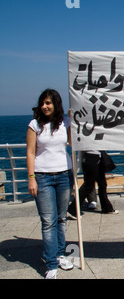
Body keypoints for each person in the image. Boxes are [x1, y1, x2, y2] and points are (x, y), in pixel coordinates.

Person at [26, 89, 74, 279]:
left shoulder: (65, 123)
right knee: (48, 222)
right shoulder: (34, 125)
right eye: (42, 103)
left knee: (61, 219)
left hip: (64, 175)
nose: (44, 106)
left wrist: (74, 120)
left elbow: (71, 142)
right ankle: (51, 262)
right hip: (43, 177)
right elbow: (30, 152)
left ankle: (60, 254)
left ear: (56, 104)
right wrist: (31, 178)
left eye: (48, 103)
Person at [68, 151, 119, 216]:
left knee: (102, 184)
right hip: (90, 157)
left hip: (98, 157)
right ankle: (73, 208)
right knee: (88, 186)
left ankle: (107, 208)